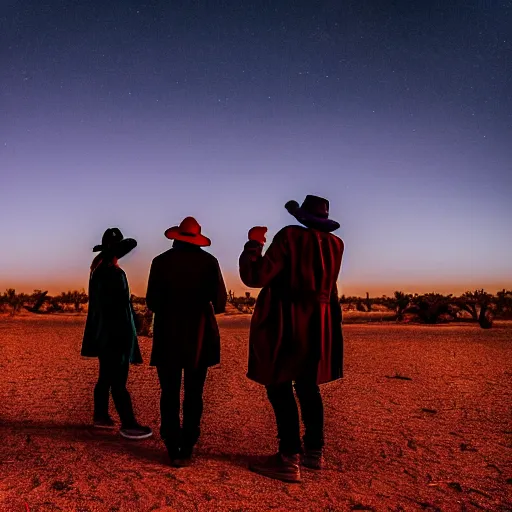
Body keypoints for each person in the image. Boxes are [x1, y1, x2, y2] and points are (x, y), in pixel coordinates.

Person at [239, 195, 344, 483]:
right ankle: (314, 451)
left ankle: (288, 458)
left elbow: (256, 276)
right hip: (318, 323)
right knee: (308, 385)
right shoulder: (336, 245)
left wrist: (254, 245)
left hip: (287, 321)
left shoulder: (290, 236)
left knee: (279, 383)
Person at [146, 217, 227, 467]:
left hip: (168, 334)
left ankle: (172, 445)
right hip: (199, 337)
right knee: (194, 392)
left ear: (177, 237)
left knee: (169, 392)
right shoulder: (209, 262)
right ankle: (188, 444)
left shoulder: (160, 262)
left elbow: (151, 302)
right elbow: (221, 303)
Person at [81, 228, 153, 440]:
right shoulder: (114, 274)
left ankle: (101, 416)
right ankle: (128, 423)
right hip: (117, 335)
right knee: (118, 380)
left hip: (103, 334)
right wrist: (129, 333)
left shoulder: (97, 272)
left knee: (105, 376)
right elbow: (121, 307)